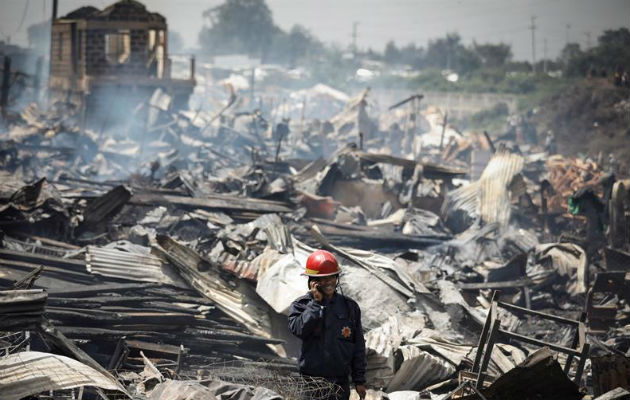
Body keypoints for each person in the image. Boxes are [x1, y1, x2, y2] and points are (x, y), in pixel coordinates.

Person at [288, 250, 367, 400]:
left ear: (337, 278)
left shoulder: (350, 307)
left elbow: (358, 345)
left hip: (340, 382)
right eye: (322, 279)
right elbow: (298, 329)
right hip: (311, 382)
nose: (328, 282)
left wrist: (359, 380)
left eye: (331, 277)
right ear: (312, 281)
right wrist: (315, 305)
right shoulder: (302, 306)